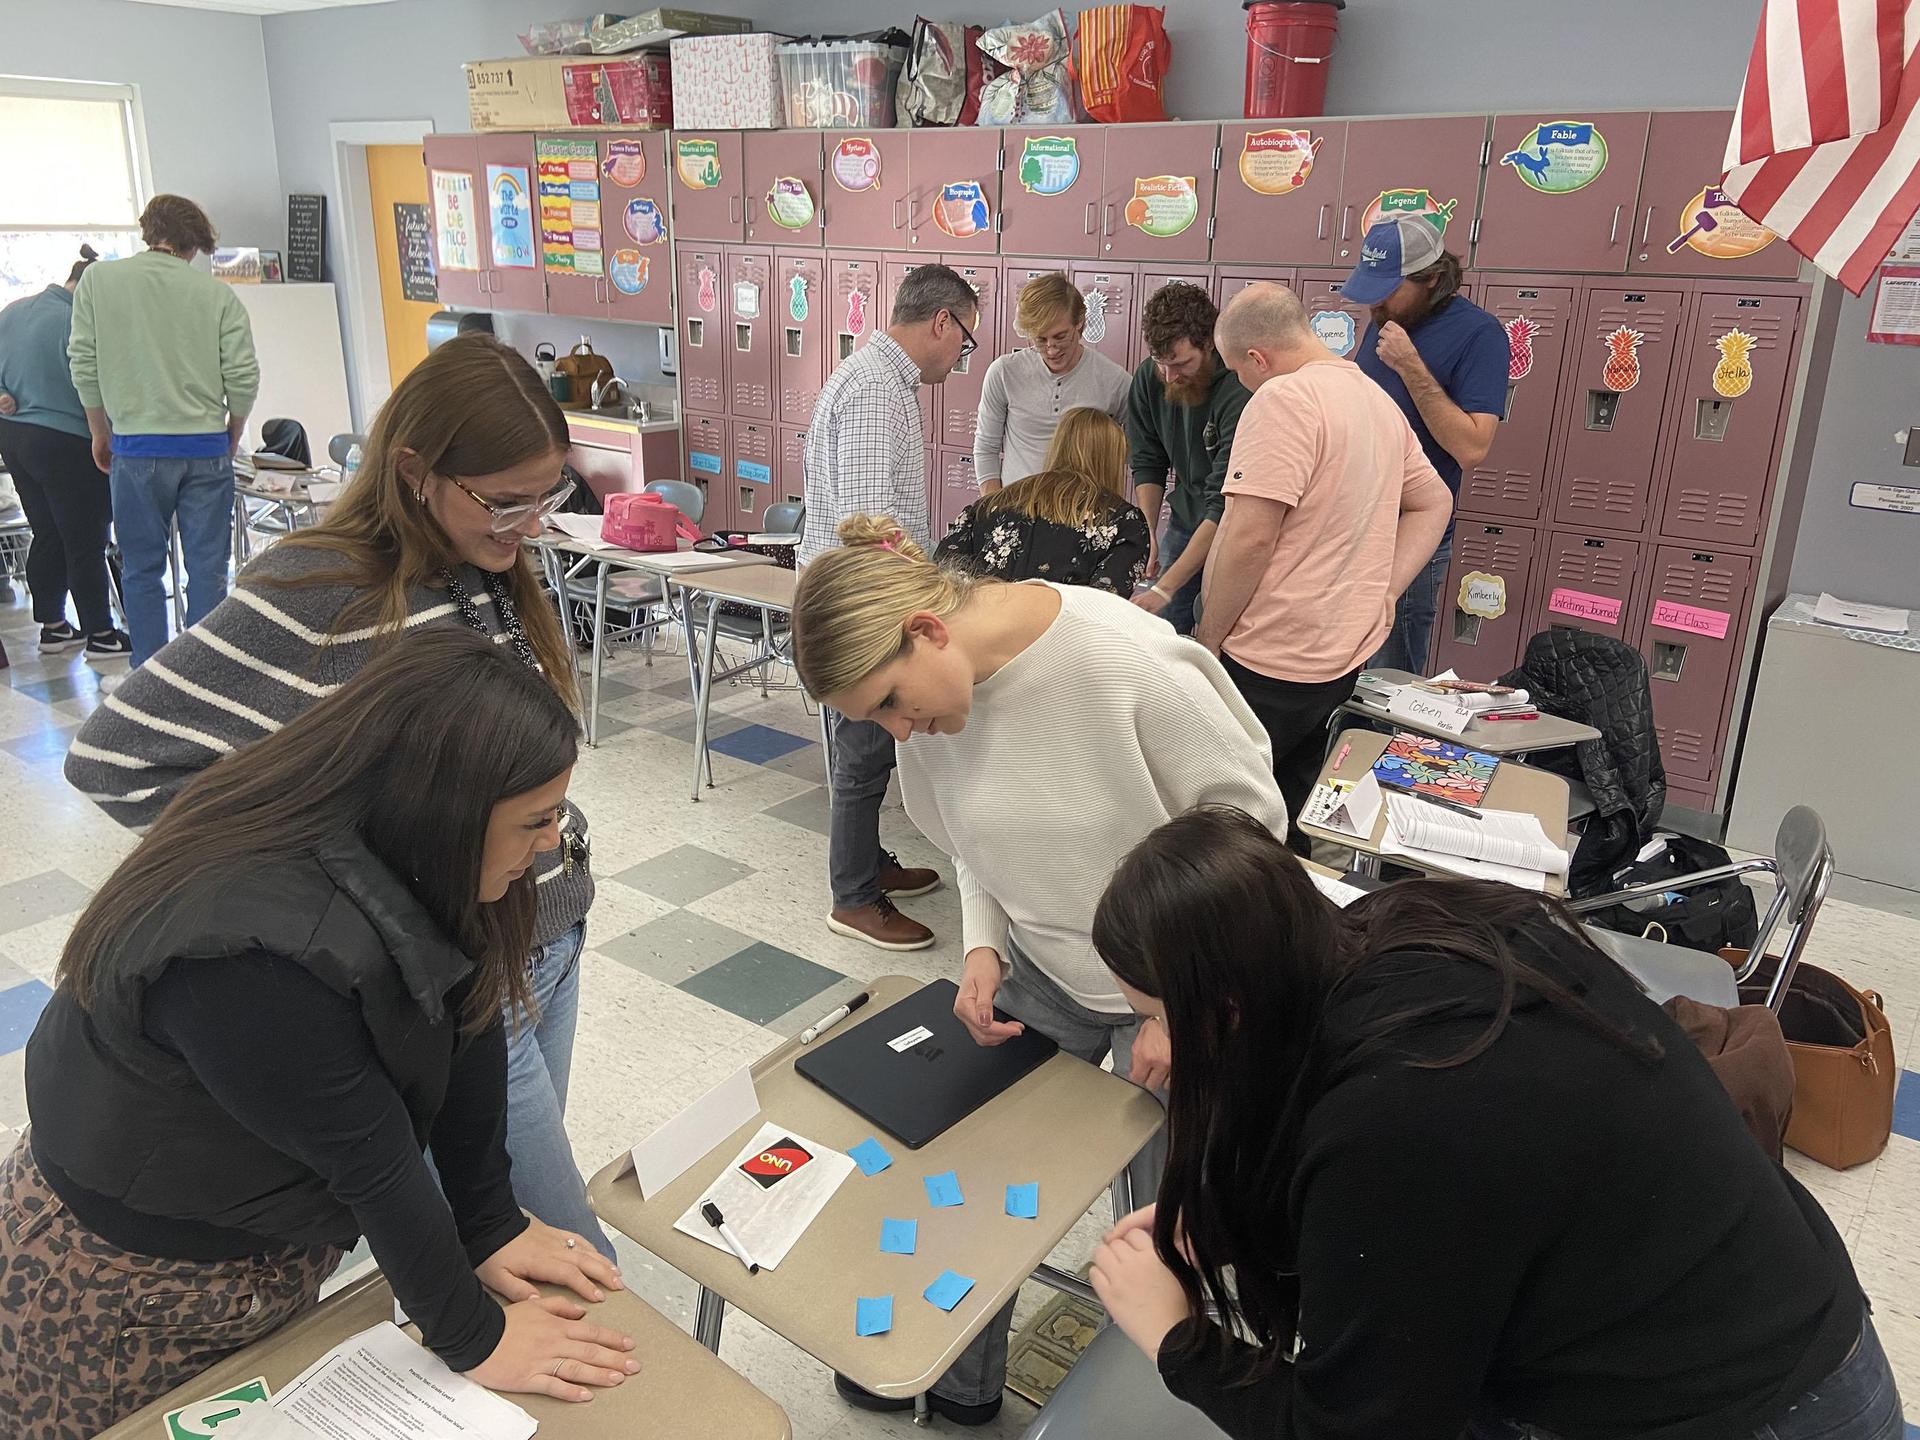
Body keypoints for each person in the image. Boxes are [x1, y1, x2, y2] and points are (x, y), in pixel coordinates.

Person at [1085, 807, 1896, 1440]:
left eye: (1154, 1019)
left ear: (1226, 1012)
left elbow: (1352, 1432)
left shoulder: (1395, 1122)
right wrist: (1238, 1226)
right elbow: (1448, 1216)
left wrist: (1177, 1340)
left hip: (1754, 1409)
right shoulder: (1414, 924)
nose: (1144, 1055)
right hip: (1775, 1314)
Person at [7, 632, 639, 1440]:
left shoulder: (418, 850)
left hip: (258, 1233)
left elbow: (467, 1014)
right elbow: (373, 1165)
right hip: (126, 1283)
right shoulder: (250, 960)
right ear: (445, 810)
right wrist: (474, 1338)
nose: (554, 841)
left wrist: (489, 1222)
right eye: (535, 821)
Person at [64, 333, 614, 1261]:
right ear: (414, 472)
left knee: (486, 1226)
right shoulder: (320, 588)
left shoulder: (487, 573)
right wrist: (339, 882)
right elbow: (115, 757)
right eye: (504, 501)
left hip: (542, 939)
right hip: (462, 977)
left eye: (548, 496)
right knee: (569, 1257)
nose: (527, 524)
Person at [792, 516, 1288, 1427]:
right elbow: (975, 833)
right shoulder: (933, 708)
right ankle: (958, 1375)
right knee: (981, 1172)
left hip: (1181, 980)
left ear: (930, 630)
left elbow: (1250, 830)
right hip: (1047, 971)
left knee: (1166, 1213)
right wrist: (981, 940)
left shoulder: (1124, 660)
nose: (902, 729)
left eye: (894, 703)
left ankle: (1155, 1400)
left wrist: (1183, 1007)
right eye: (878, 720)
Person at [1199, 283, 1452, 846]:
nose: (1241, 384)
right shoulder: (1373, 398)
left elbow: (1248, 539)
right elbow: (1435, 500)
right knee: (1289, 802)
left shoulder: (1282, 399)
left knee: (1226, 818)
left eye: (1237, 371)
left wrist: (1209, 639)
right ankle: (1289, 918)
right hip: (1338, 655)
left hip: (1268, 652)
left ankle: (1240, 924)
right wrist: (1384, 591)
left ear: (1257, 358)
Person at [799, 263, 981, 952]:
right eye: (963, 342)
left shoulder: (878, 379)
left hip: (870, 598)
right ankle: (852, 897)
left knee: (870, 751)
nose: (960, 357)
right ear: (942, 321)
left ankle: (869, 863)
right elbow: (867, 525)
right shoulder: (877, 390)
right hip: (869, 609)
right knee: (866, 750)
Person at [67, 194, 259, 666]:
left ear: (147, 231)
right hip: (206, 447)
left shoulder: (99, 281)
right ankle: (203, 674)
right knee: (210, 569)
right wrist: (233, 430)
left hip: (136, 446)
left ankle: (149, 677)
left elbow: (83, 363)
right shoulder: (216, 295)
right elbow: (242, 375)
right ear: (195, 245)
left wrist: (99, 430)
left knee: (141, 569)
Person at [1343, 215, 1511, 673]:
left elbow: (1472, 447)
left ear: (1432, 279)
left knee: (1389, 680)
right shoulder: (1388, 317)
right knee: (1343, 672)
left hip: (1411, 537)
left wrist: (1412, 367)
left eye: (1388, 290)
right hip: (1354, 525)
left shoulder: (1480, 334)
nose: (1374, 304)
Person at [0, 246, 131, 661]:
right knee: (86, 540)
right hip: (66, 440)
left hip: (14, 438)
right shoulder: (81, 320)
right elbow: (100, 390)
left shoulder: (14, 311)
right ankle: (101, 635)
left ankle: (53, 628)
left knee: (48, 532)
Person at [1125, 282, 1251, 635]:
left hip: (1233, 529)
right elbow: (1147, 459)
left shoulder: (1238, 391)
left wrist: (1166, 587)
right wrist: (1148, 530)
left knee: (1222, 633)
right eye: (1160, 363)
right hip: (1183, 521)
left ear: (1209, 344)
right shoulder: (1151, 379)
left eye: (1181, 363)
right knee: (1164, 629)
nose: (1169, 376)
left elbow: (1222, 503)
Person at [937, 407, 1148, 594]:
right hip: (1058, 635)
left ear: (1057, 445)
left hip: (982, 630)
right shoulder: (1125, 523)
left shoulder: (993, 504)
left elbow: (944, 572)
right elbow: (1106, 605)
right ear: (1113, 459)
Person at [973, 273, 1129, 494]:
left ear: (1079, 323)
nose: (1052, 349)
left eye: (1060, 337)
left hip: (1083, 513)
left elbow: (1137, 452)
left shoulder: (1114, 380)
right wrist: (994, 508)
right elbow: (986, 448)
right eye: (1040, 339)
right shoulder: (1004, 373)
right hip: (1017, 510)